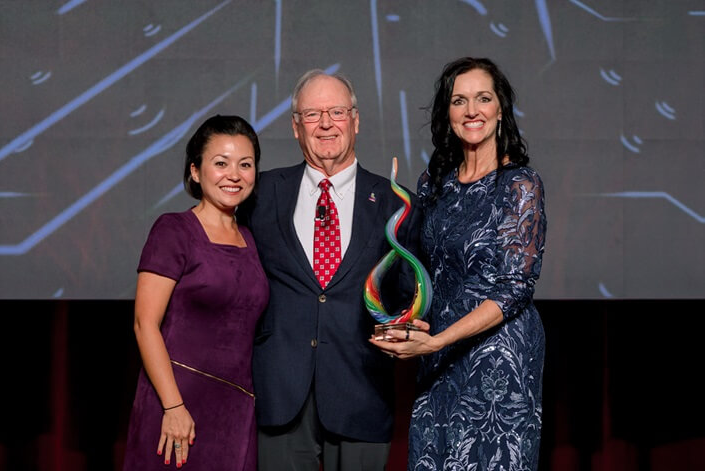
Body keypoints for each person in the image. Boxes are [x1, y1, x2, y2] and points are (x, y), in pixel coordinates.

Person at [370, 57, 547, 470]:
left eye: (483, 99)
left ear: (500, 109)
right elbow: (426, 271)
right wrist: (408, 325)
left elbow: (514, 288)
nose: (472, 111)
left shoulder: (519, 184)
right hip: (439, 358)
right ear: (446, 112)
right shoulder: (437, 182)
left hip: (497, 357)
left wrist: (438, 340)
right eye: (459, 100)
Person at [244, 69, 419, 471]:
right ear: (295, 126)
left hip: (361, 393)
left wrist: (410, 323)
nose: (326, 123)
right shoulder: (260, 194)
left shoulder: (398, 203)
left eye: (337, 111)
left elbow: (408, 295)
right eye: (312, 114)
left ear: (355, 121)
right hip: (279, 395)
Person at [123, 115, 269, 470]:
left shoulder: (252, 239)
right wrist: (173, 407)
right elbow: (145, 324)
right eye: (220, 163)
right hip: (177, 406)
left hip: (235, 412)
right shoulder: (174, 230)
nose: (234, 174)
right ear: (195, 171)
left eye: (245, 165)